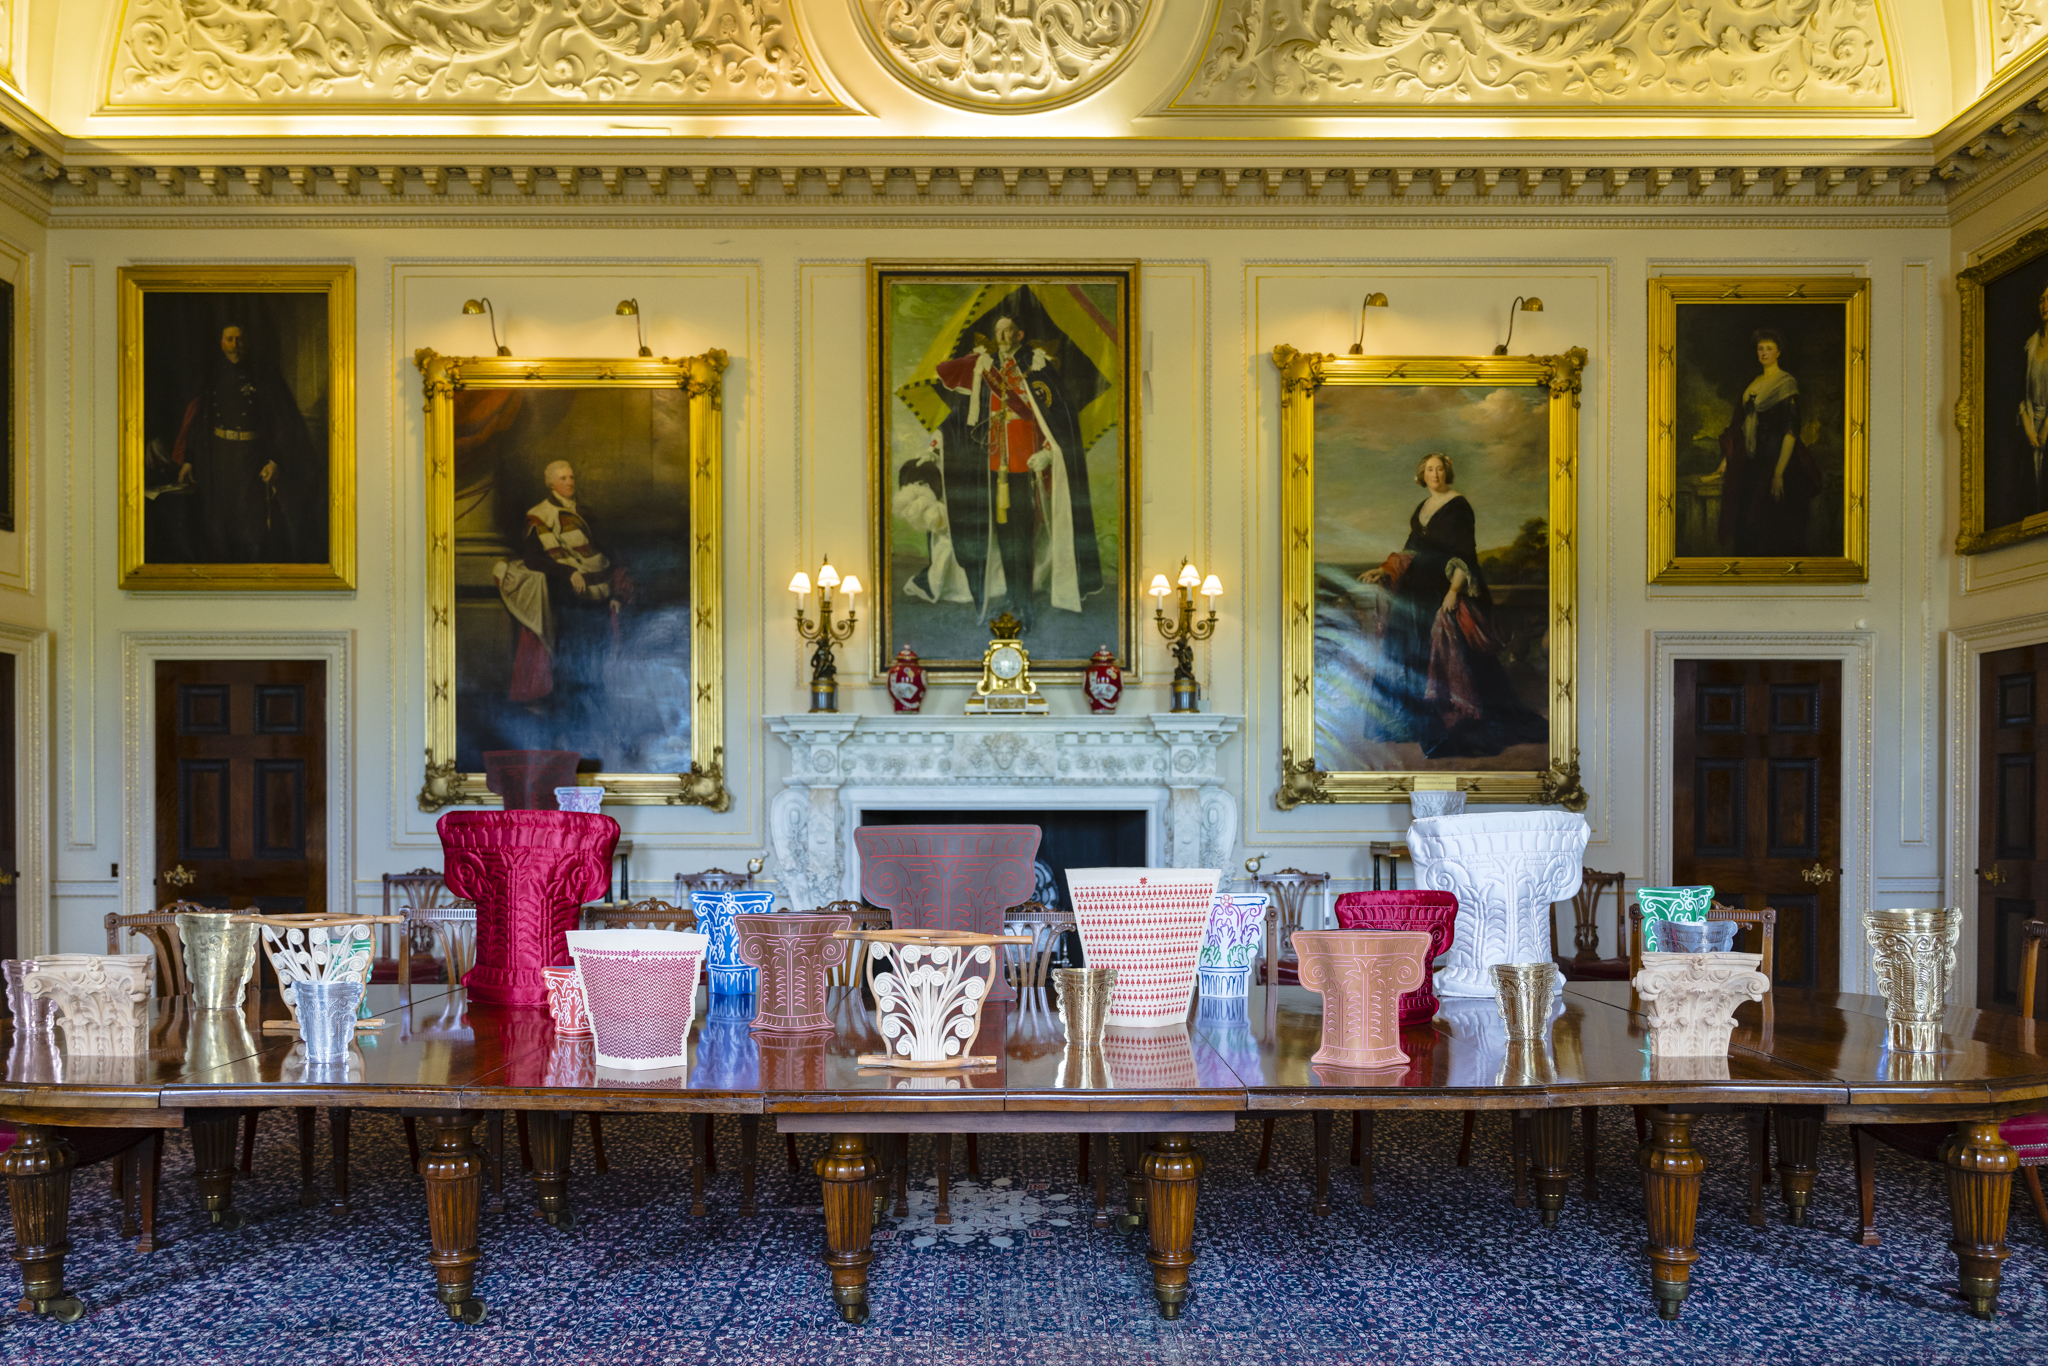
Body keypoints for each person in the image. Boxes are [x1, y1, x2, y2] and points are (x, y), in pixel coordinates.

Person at [905, 310, 1101, 632]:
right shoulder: (987, 369)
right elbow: (960, 416)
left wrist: (1048, 454)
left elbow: (1057, 420)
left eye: (1008, 331)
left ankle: (1025, 600)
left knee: (1023, 538)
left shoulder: (1036, 367)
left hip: (1026, 468)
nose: (1002, 337)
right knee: (1005, 537)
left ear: (1019, 335)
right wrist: (935, 444)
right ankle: (1012, 595)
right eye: (998, 332)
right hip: (994, 470)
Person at [1358, 453, 1548, 759]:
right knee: (1410, 658)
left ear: (1448, 472)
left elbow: (1465, 554)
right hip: (1414, 594)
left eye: (1440, 468)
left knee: (1449, 661)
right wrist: (1384, 570)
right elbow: (1410, 551)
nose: (1435, 474)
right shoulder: (1422, 508)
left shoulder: (1459, 507)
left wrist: (1454, 591)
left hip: (1441, 590)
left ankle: (1447, 730)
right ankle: (1411, 723)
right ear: (1421, 476)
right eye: (1429, 469)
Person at [494, 461, 632, 726]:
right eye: (563, 478)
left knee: (597, 661)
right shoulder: (540, 515)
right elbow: (534, 560)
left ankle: (595, 717)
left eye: (571, 477)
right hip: (568, 599)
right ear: (551, 484)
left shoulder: (585, 512)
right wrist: (568, 572)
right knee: (570, 660)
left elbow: (609, 554)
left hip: (600, 598)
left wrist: (616, 593)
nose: (570, 482)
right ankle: (570, 720)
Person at [167, 322, 314, 562]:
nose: (236, 344)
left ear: (247, 342)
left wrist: (275, 460)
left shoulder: (264, 375)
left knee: (252, 524)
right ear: (221, 342)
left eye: (240, 339)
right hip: (219, 459)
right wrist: (190, 460)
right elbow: (198, 421)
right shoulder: (212, 376)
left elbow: (283, 422)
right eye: (230, 339)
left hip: (252, 457)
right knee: (219, 525)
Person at [1714, 328, 1818, 557]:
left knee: (1772, 530)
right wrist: (1727, 460)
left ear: (1778, 352)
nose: (1764, 353)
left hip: (1778, 463)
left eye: (1769, 348)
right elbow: (1738, 427)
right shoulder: (1753, 383)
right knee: (1746, 529)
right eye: (1760, 348)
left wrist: (1779, 473)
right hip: (1752, 464)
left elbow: (1791, 431)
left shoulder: (1785, 383)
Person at [2014, 281, 2048, 521]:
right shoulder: (2030, 343)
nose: (2045, 305)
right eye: (2041, 300)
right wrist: (2026, 420)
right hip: (2031, 428)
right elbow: (2019, 391)